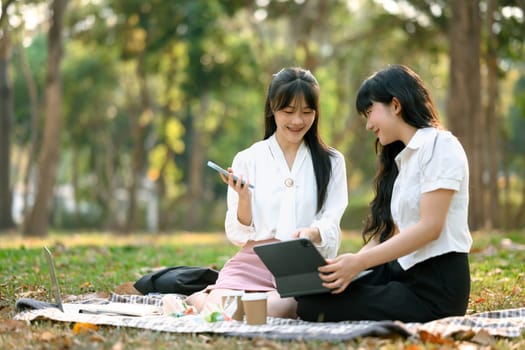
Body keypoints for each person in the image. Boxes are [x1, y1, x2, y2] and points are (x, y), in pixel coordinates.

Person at [296, 64, 472, 323]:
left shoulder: (441, 146)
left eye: (370, 112)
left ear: (396, 105)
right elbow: (390, 231)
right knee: (310, 298)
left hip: (435, 289)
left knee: (315, 309)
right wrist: (351, 263)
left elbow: (430, 228)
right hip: (402, 271)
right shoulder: (403, 160)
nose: (368, 125)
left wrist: (360, 263)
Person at [186, 67, 348, 318]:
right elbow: (238, 235)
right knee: (228, 308)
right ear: (273, 108)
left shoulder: (332, 161)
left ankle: (209, 302)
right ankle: (211, 300)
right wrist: (244, 200)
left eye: (307, 112)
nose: (297, 121)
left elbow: (332, 221)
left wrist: (312, 232)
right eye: (288, 111)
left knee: (281, 308)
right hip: (254, 259)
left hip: (301, 264)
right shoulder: (247, 159)